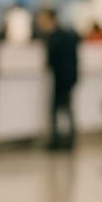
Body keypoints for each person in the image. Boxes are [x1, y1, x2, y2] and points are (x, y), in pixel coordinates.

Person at [37, 9, 80, 151]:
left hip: (63, 80)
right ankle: (64, 140)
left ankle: (60, 140)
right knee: (64, 110)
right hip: (65, 79)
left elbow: (56, 61)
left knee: (61, 110)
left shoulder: (58, 37)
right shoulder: (64, 35)